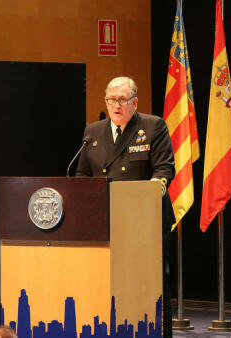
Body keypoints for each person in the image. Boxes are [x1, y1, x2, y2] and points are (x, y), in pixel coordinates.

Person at [76, 76, 175, 337]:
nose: (116, 106)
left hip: (145, 221)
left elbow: (165, 167)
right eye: (111, 100)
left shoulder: (153, 127)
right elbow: (82, 175)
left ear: (134, 102)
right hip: (105, 221)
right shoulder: (93, 132)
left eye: (122, 100)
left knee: (151, 283)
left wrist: (150, 194)